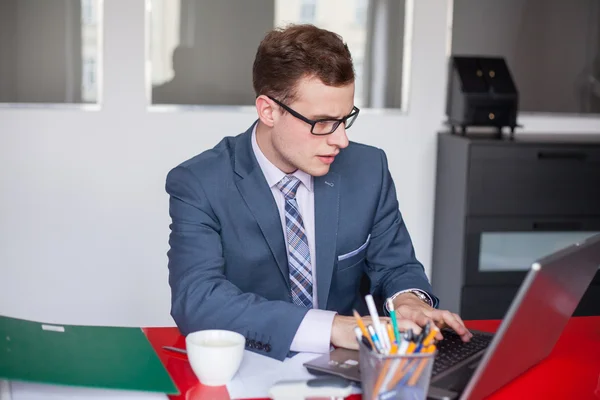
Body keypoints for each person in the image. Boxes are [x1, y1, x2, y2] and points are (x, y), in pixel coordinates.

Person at [165, 24, 472, 362]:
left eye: (345, 119)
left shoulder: (368, 168)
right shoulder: (200, 182)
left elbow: (396, 265)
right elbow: (198, 299)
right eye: (322, 122)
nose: (341, 140)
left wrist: (408, 301)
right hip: (256, 363)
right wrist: (334, 328)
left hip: (356, 367)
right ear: (269, 110)